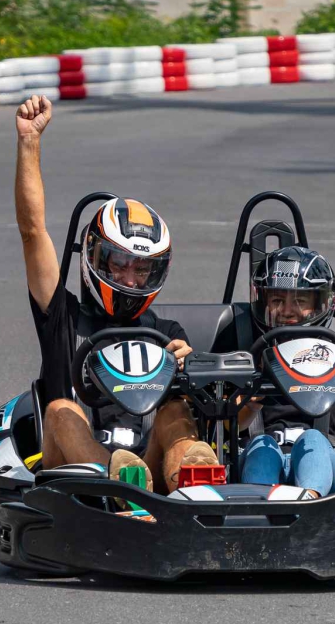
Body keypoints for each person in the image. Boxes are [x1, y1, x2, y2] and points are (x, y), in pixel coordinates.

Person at [13, 94, 215, 493]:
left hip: (151, 466)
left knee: (176, 411)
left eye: (142, 269)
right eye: (120, 264)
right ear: (94, 257)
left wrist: (187, 373)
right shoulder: (63, 319)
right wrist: (29, 143)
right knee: (61, 410)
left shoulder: (167, 332)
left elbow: (204, 406)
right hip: (77, 473)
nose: (130, 278)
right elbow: (32, 231)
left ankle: (194, 493)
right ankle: (117, 482)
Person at [237, 201, 335, 498]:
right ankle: (259, 509)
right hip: (264, 455)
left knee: (312, 440)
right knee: (262, 446)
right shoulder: (250, 353)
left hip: (326, 462)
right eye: (277, 300)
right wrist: (252, 401)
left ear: (321, 305)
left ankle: (309, 502)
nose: (287, 310)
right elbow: (231, 426)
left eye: (300, 301)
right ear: (262, 302)